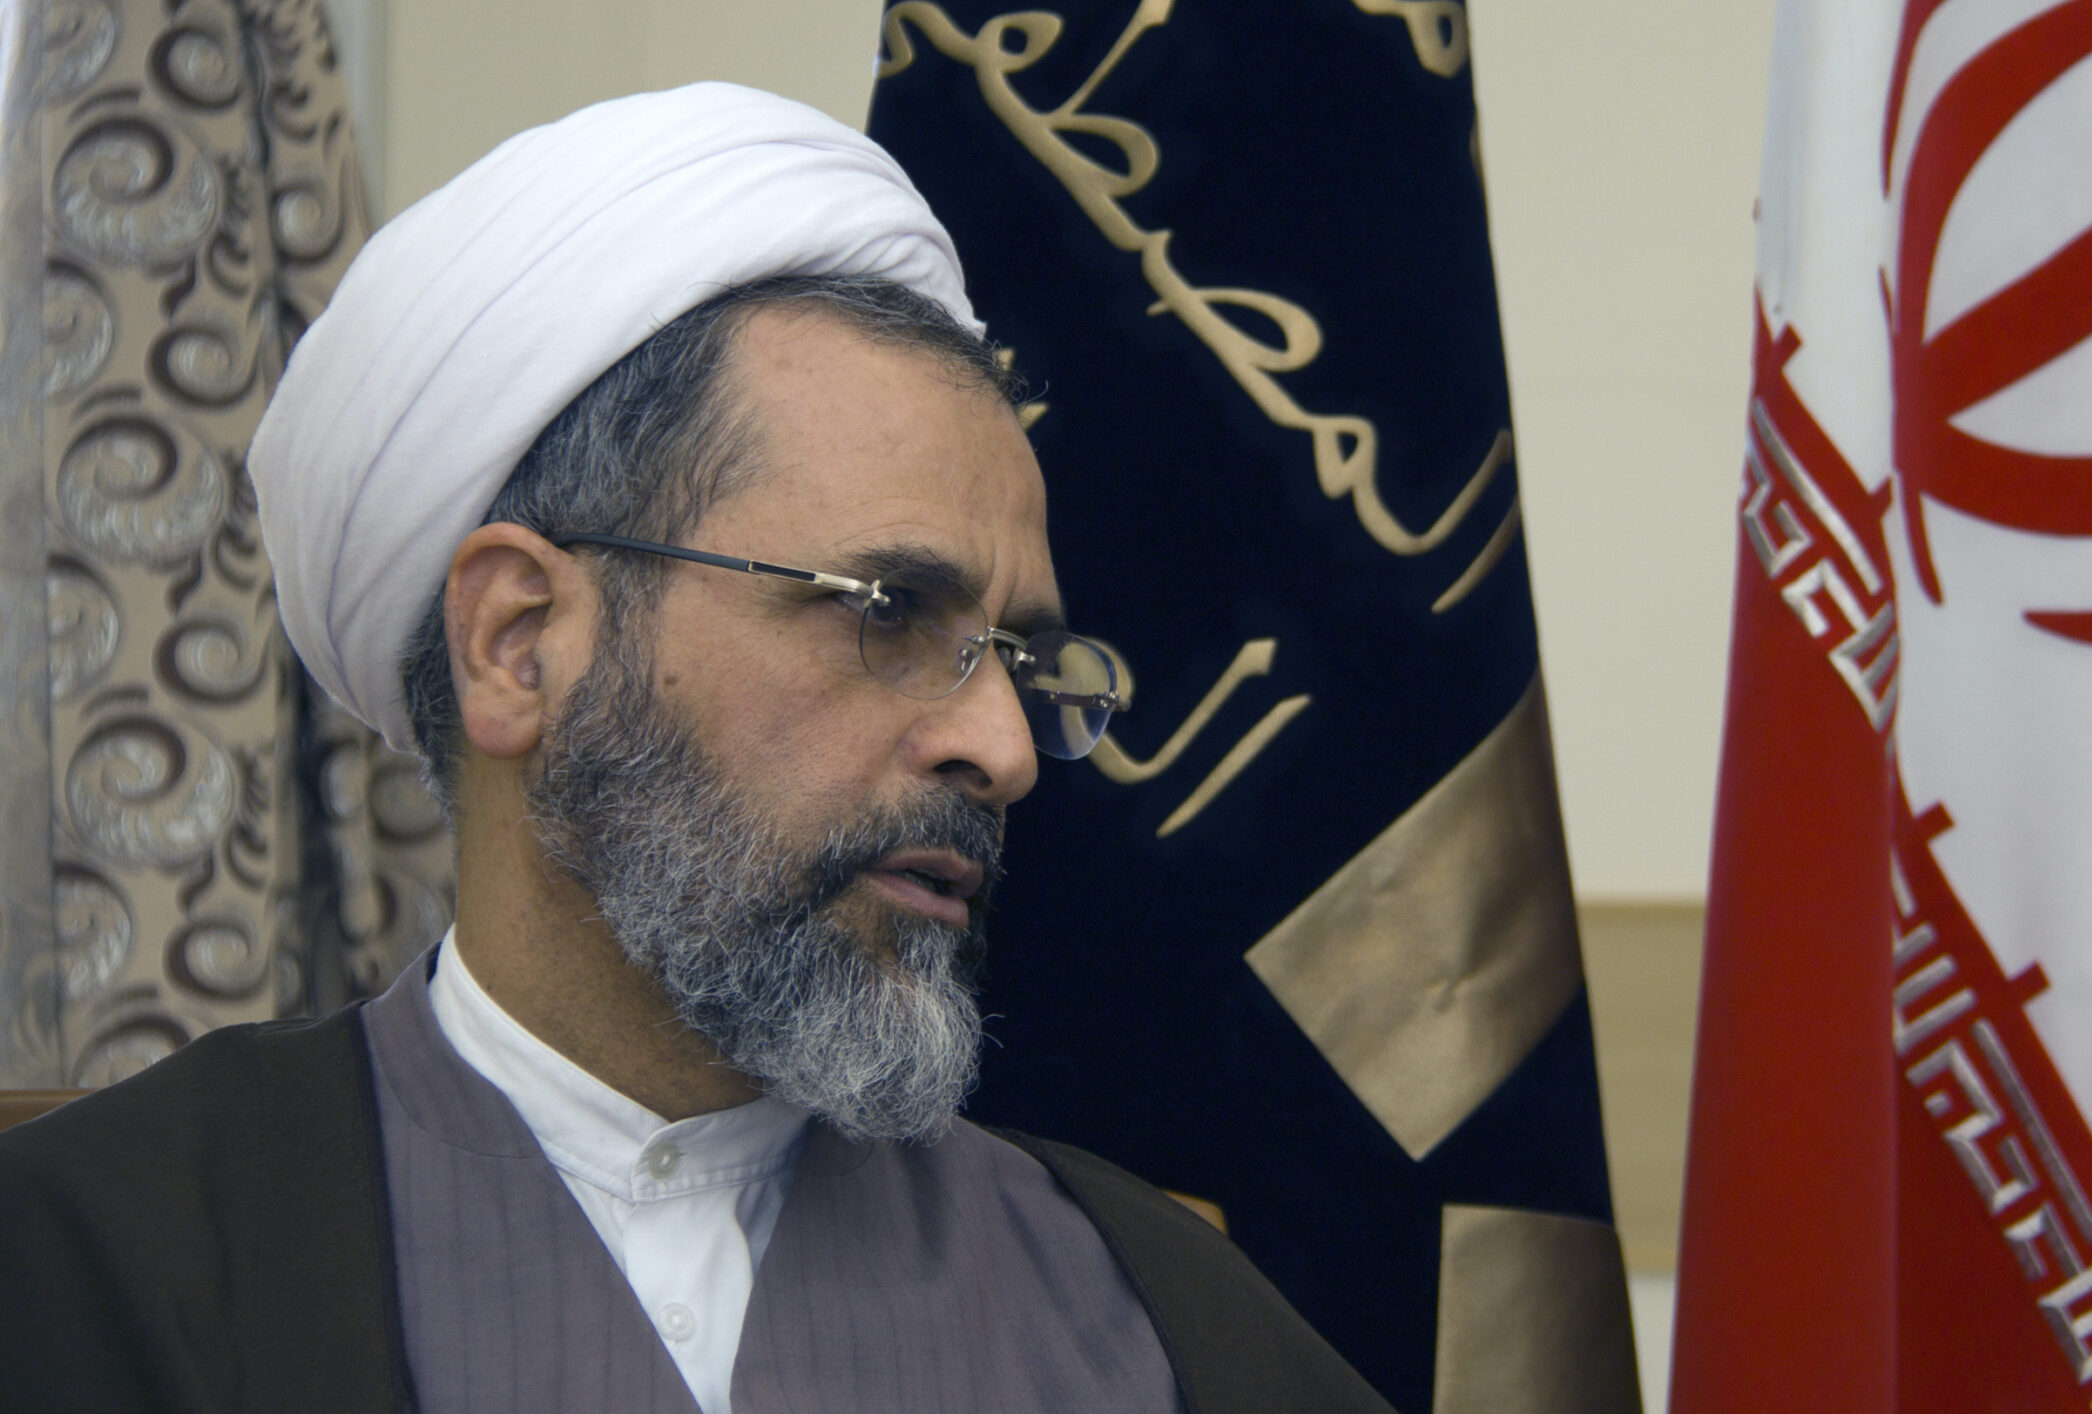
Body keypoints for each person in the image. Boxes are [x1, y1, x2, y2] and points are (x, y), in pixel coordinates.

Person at [0, 84, 1388, 1414]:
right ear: (518, 642)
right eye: (888, 610)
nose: (1004, 748)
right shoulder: (94, 1267)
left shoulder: (1149, 1309)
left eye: (1019, 655)